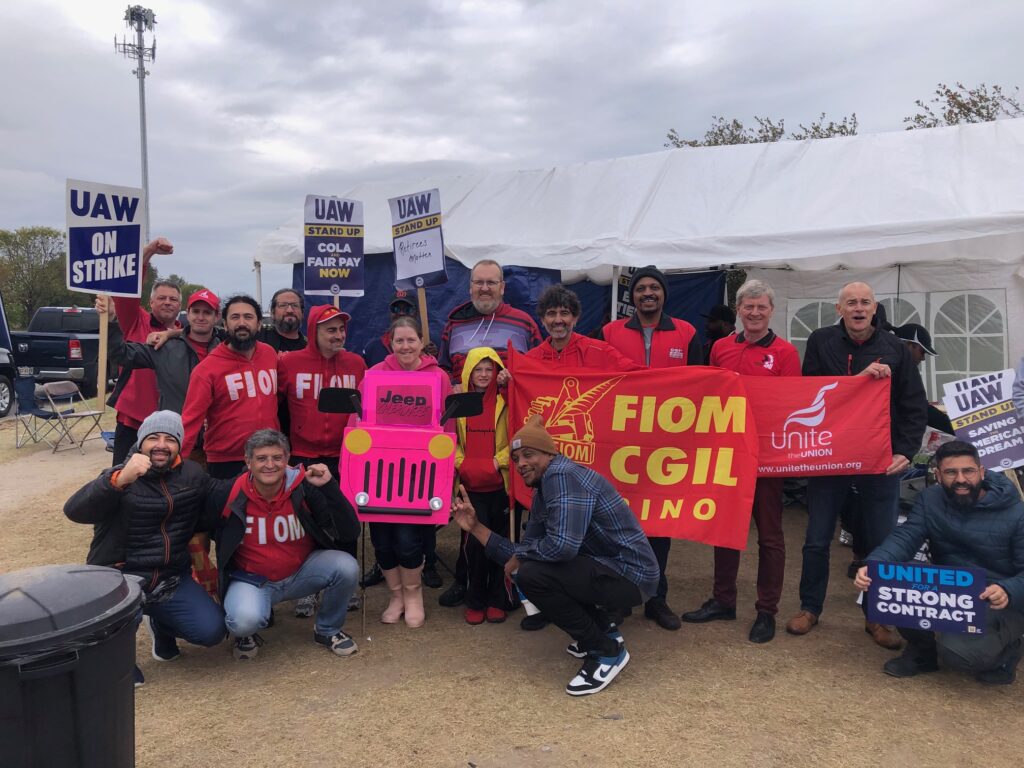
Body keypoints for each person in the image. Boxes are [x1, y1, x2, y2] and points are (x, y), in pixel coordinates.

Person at [451, 416, 659, 696]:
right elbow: (523, 553)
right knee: (530, 569)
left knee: (533, 574)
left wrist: (523, 558)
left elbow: (562, 547)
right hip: (611, 570)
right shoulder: (543, 489)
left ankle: (606, 651)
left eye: (529, 454)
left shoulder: (562, 475)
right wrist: (476, 527)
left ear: (550, 453)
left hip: (632, 575)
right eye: (516, 458)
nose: (521, 463)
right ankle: (603, 630)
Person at [786, 281, 927, 649]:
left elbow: (914, 405)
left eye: (865, 302)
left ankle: (877, 617)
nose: (859, 308)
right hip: (830, 455)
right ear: (840, 309)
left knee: (880, 540)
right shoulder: (821, 341)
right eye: (851, 302)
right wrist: (858, 380)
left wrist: (905, 451)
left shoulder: (894, 348)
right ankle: (810, 607)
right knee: (817, 538)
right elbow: (810, 392)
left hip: (878, 457)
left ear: (874, 308)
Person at [496, 284, 640, 631]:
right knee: (548, 528)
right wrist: (505, 382)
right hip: (546, 469)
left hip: (589, 463)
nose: (558, 320)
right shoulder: (530, 359)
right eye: (551, 314)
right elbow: (516, 400)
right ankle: (550, 602)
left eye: (564, 313)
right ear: (543, 319)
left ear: (575, 317)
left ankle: (602, 604)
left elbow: (638, 378)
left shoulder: (599, 351)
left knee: (587, 534)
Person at [64, 410, 226, 686]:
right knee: (121, 650)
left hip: (170, 577)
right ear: (140, 442)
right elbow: (74, 510)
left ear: (179, 445)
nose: (161, 445)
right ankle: (120, 658)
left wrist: (268, 476)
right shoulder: (120, 475)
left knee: (211, 631)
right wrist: (119, 480)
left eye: (170, 439)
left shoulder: (192, 474)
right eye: (153, 438)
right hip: (121, 577)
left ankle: (162, 624)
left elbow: (222, 494)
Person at [681, 280, 800, 643]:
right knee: (725, 528)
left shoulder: (785, 353)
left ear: (771, 311)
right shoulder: (720, 348)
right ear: (738, 310)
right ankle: (723, 599)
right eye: (748, 307)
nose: (755, 313)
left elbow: (790, 406)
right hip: (728, 455)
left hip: (766, 459)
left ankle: (766, 610)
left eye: (761, 307)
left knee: (770, 536)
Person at [855, 440, 1024, 685]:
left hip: (997, 597)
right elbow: (906, 536)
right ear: (938, 475)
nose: (961, 479)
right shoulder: (930, 499)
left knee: (957, 654)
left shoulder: (1017, 512)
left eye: (968, 471)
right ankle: (922, 652)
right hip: (950, 589)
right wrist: (874, 564)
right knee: (883, 581)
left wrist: (1007, 590)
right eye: (951, 472)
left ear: (982, 472)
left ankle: (1009, 649)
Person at [598, 265, 703, 631]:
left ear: (663, 294)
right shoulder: (609, 332)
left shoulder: (687, 333)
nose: (647, 293)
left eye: (654, 288)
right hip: (620, 446)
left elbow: (702, 386)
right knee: (616, 523)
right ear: (633, 296)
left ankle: (656, 599)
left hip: (666, 447)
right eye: (641, 288)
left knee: (659, 523)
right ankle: (619, 599)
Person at [215, 429, 361, 660]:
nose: (270, 465)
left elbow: (350, 532)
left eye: (277, 457)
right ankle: (247, 634)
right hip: (253, 581)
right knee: (243, 621)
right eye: (261, 458)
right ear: (248, 461)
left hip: (301, 573)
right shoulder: (229, 492)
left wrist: (329, 487)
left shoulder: (304, 487)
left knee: (346, 566)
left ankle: (327, 629)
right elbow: (202, 526)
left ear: (287, 459)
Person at [278, 304, 366, 617]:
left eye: (341, 329)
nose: (338, 335)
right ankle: (307, 587)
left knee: (345, 518)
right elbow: (272, 402)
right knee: (307, 522)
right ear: (314, 331)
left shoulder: (356, 364)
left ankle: (346, 583)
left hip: (344, 455)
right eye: (331, 330)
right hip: (304, 453)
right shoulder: (289, 363)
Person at [366, 316, 452, 627]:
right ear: (390, 343)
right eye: (399, 340)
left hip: (420, 474)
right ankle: (396, 595)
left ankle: (413, 594)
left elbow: (449, 424)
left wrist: (445, 470)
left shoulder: (438, 376)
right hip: (379, 473)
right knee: (382, 540)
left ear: (421, 342)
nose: (405, 346)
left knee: (407, 539)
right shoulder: (374, 374)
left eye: (411, 340)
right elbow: (359, 419)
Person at [181, 295, 280, 479]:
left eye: (248, 317)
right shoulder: (206, 369)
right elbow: (190, 422)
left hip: (268, 456)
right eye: (235, 317)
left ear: (259, 324)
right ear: (225, 325)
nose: (242, 323)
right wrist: (175, 467)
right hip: (226, 462)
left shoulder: (269, 354)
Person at [107, 237, 181, 464]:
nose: (167, 302)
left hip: (172, 425)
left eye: (173, 299)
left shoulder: (186, 335)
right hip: (133, 421)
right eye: (162, 298)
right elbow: (127, 288)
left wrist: (173, 334)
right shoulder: (135, 321)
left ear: (180, 306)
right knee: (123, 477)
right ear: (151, 303)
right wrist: (148, 252)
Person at [454, 347, 512, 625]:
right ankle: (475, 600)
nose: (484, 374)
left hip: (500, 487)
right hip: (469, 489)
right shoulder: (458, 403)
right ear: (469, 372)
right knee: (475, 547)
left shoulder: (506, 401)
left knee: (502, 545)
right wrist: (462, 463)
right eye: (478, 369)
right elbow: (448, 439)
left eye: (490, 369)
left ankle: (498, 599)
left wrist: (497, 462)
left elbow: (518, 435)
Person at [107, 288, 222, 414]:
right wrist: (111, 321)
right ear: (188, 314)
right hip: (174, 425)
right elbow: (121, 354)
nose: (200, 317)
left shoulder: (226, 350)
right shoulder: (165, 347)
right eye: (196, 311)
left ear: (217, 316)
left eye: (207, 312)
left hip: (214, 425)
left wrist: (171, 333)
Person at [438, 259, 542, 385]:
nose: (484, 288)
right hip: (465, 398)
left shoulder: (524, 324)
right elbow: (443, 369)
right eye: (479, 282)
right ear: (471, 287)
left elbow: (539, 367)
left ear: (502, 287)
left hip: (510, 397)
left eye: (491, 282)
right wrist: (452, 386)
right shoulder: (454, 325)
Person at [894, 322, 955, 434]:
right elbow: (920, 408)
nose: (923, 358)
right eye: (922, 352)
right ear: (908, 345)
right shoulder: (896, 369)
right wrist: (955, 428)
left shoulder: (897, 366)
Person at [256, 288, 307, 352]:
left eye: (295, 305)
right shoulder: (256, 339)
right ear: (272, 312)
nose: (290, 310)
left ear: (302, 313)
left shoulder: (310, 347)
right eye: (283, 305)